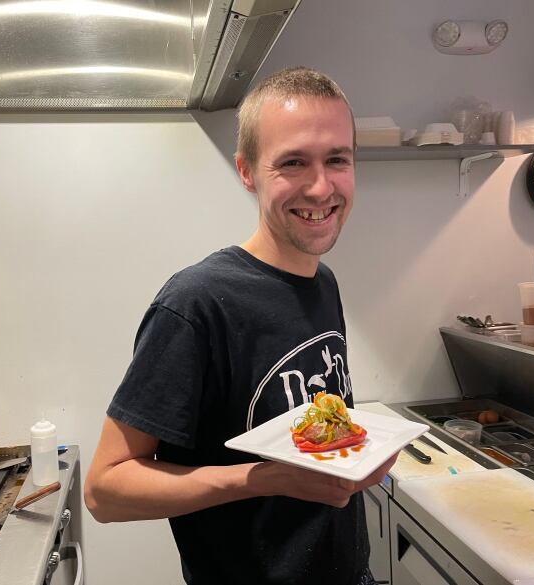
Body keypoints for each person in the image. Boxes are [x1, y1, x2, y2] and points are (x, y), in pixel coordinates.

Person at [84, 66, 399, 585]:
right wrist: (261, 480)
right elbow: (105, 490)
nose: (322, 187)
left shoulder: (324, 284)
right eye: (293, 162)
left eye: (337, 160)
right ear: (247, 171)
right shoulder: (196, 303)